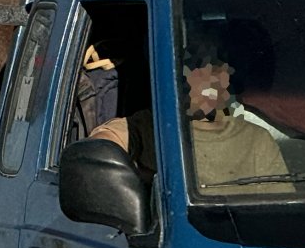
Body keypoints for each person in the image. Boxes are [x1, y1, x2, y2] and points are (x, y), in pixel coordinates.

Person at [89, 41, 291, 196]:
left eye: (219, 70)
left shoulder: (255, 139)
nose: (210, 79)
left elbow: (278, 205)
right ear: (180, 79)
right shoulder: (154, 126)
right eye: (198, 69)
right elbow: (104, 145)